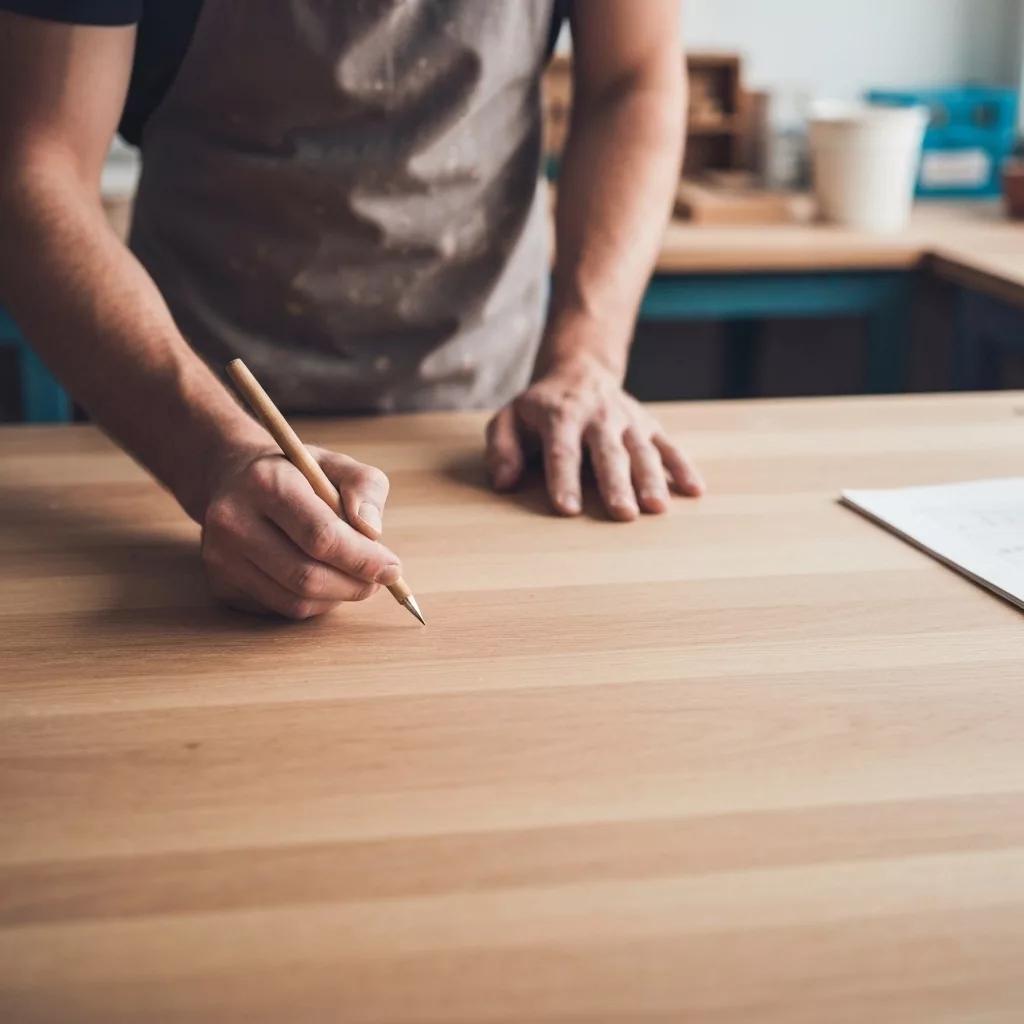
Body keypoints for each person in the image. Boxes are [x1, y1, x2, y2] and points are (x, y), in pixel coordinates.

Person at [0, 0, 703, 620]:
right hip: (175, 414)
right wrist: (210, 455)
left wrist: (585, 356)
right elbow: (34, 170)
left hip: (481, 430)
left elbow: (632, 80)